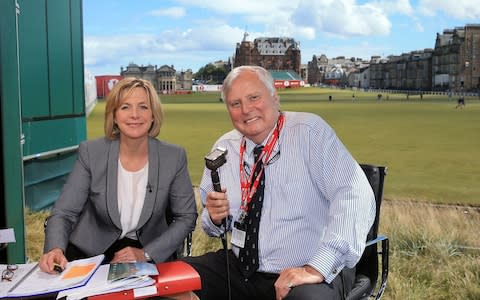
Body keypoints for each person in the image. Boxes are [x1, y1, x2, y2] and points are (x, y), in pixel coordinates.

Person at [182, 66, 376, 300]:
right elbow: (212, 227)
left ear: (275, 97)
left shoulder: (309, 132)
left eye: (254, 97)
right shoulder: (224, 148)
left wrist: (317, 267)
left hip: (306, 270)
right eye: (235, 104)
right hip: (240, 269)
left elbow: (355, 194)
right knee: (165, 282)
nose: (246, 110)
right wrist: (214, 217)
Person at [40, 77, 197, 273]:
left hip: (146, 252)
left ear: (153, 115)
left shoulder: (174, 156)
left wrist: (146, 253)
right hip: (90, 252)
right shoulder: (91, 152)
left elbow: (186, 217)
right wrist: (55, 248)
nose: (134, 115)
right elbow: (64, 212)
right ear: (114, 115)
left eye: (143, 107)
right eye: (125, 107)